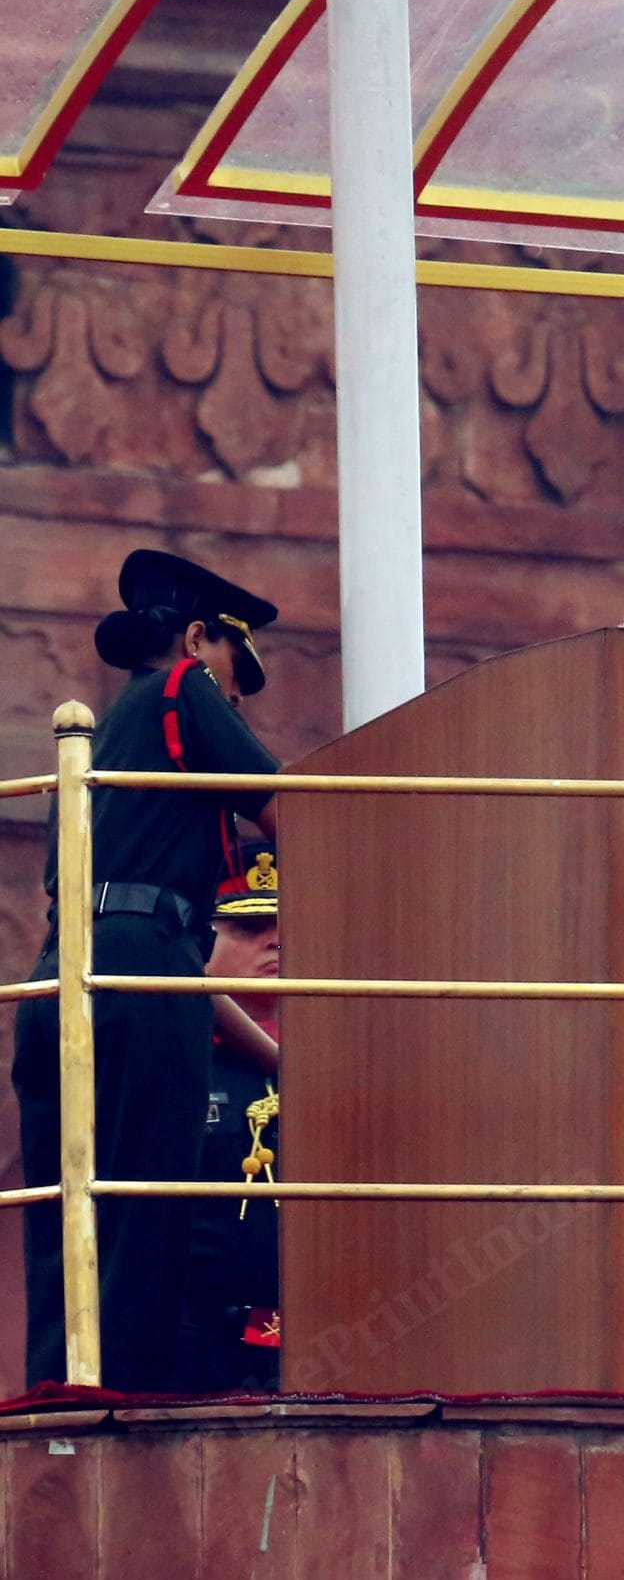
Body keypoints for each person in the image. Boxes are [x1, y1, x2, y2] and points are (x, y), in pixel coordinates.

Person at [14, 549, 281, 1391]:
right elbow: (282, 808)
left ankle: (63, 1389)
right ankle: (129, 1397)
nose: (234, 700)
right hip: (145, 952)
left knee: (67, 1197)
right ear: (200, 639)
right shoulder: (184, 689)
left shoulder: (90, 741)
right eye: (235, 676)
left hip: (62, 969)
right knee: (147, 1192)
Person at [174, 853, 284, 1393]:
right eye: (249, 927)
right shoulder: (174, 1061)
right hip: (196, 1342)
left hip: (343, 1335)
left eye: (289, 929)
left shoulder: (350, 1058)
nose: (276, 942)